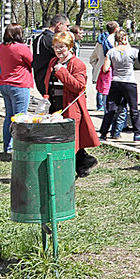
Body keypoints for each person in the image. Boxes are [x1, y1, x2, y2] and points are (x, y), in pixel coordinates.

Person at [43, 31, 100, 177]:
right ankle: (84, 163)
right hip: (54, 106)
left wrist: (62, 72)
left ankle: (69, 169)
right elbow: (48, 82)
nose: (58, 50)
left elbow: (78, 86)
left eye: (62, 47)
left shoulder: (77, 64)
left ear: (70, 47)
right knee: (61, 138)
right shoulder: (53, 61)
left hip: (70, 107)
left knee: (70, 139)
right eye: (56, 47)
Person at [99, 29, 140, 143]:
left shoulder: (111, 52)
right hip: (129, 82)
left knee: (111, 108)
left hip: (116, 81)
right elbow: (139, 65)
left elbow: (105, 69)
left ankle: (103, 133)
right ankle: (137, 133)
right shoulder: (133, 51)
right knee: (133, 108)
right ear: (124, 38)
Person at [0, 24, 33, 154]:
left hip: (4, 83)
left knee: (9, 116)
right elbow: (32, 61)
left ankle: (8, 146)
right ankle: (19, 146)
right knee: (20, 117)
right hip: (19, 84)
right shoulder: (21, 48)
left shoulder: (2, 47)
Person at [31, 14, 69, 97]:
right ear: (59, 25)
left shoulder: (38, 38)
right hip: (51, 80)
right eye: (66, 26)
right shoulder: (53, 40)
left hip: (39, 77)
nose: (67, 29)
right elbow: (66, 57)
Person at [90, 21, 119, 111]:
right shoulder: (118, 41)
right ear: (115, 29)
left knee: (100, 87)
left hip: (101, 68)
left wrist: (97, 66)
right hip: (114, 69)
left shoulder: (101, 41)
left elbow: (92, 58)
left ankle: (100, 105)